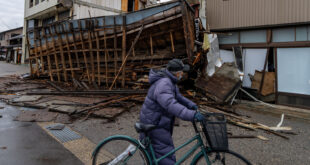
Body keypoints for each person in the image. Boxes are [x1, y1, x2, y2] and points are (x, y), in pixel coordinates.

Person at [139, 59, 204, 165]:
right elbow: (170, 104)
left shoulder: (170, 81)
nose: (182, 74)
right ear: (176, 73)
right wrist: (192, 115)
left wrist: (190, 104)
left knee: (158, 154)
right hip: (155, 123)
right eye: (181, 72)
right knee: (165, 154)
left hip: (158, 120)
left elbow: (178, 97)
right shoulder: (164, 83)